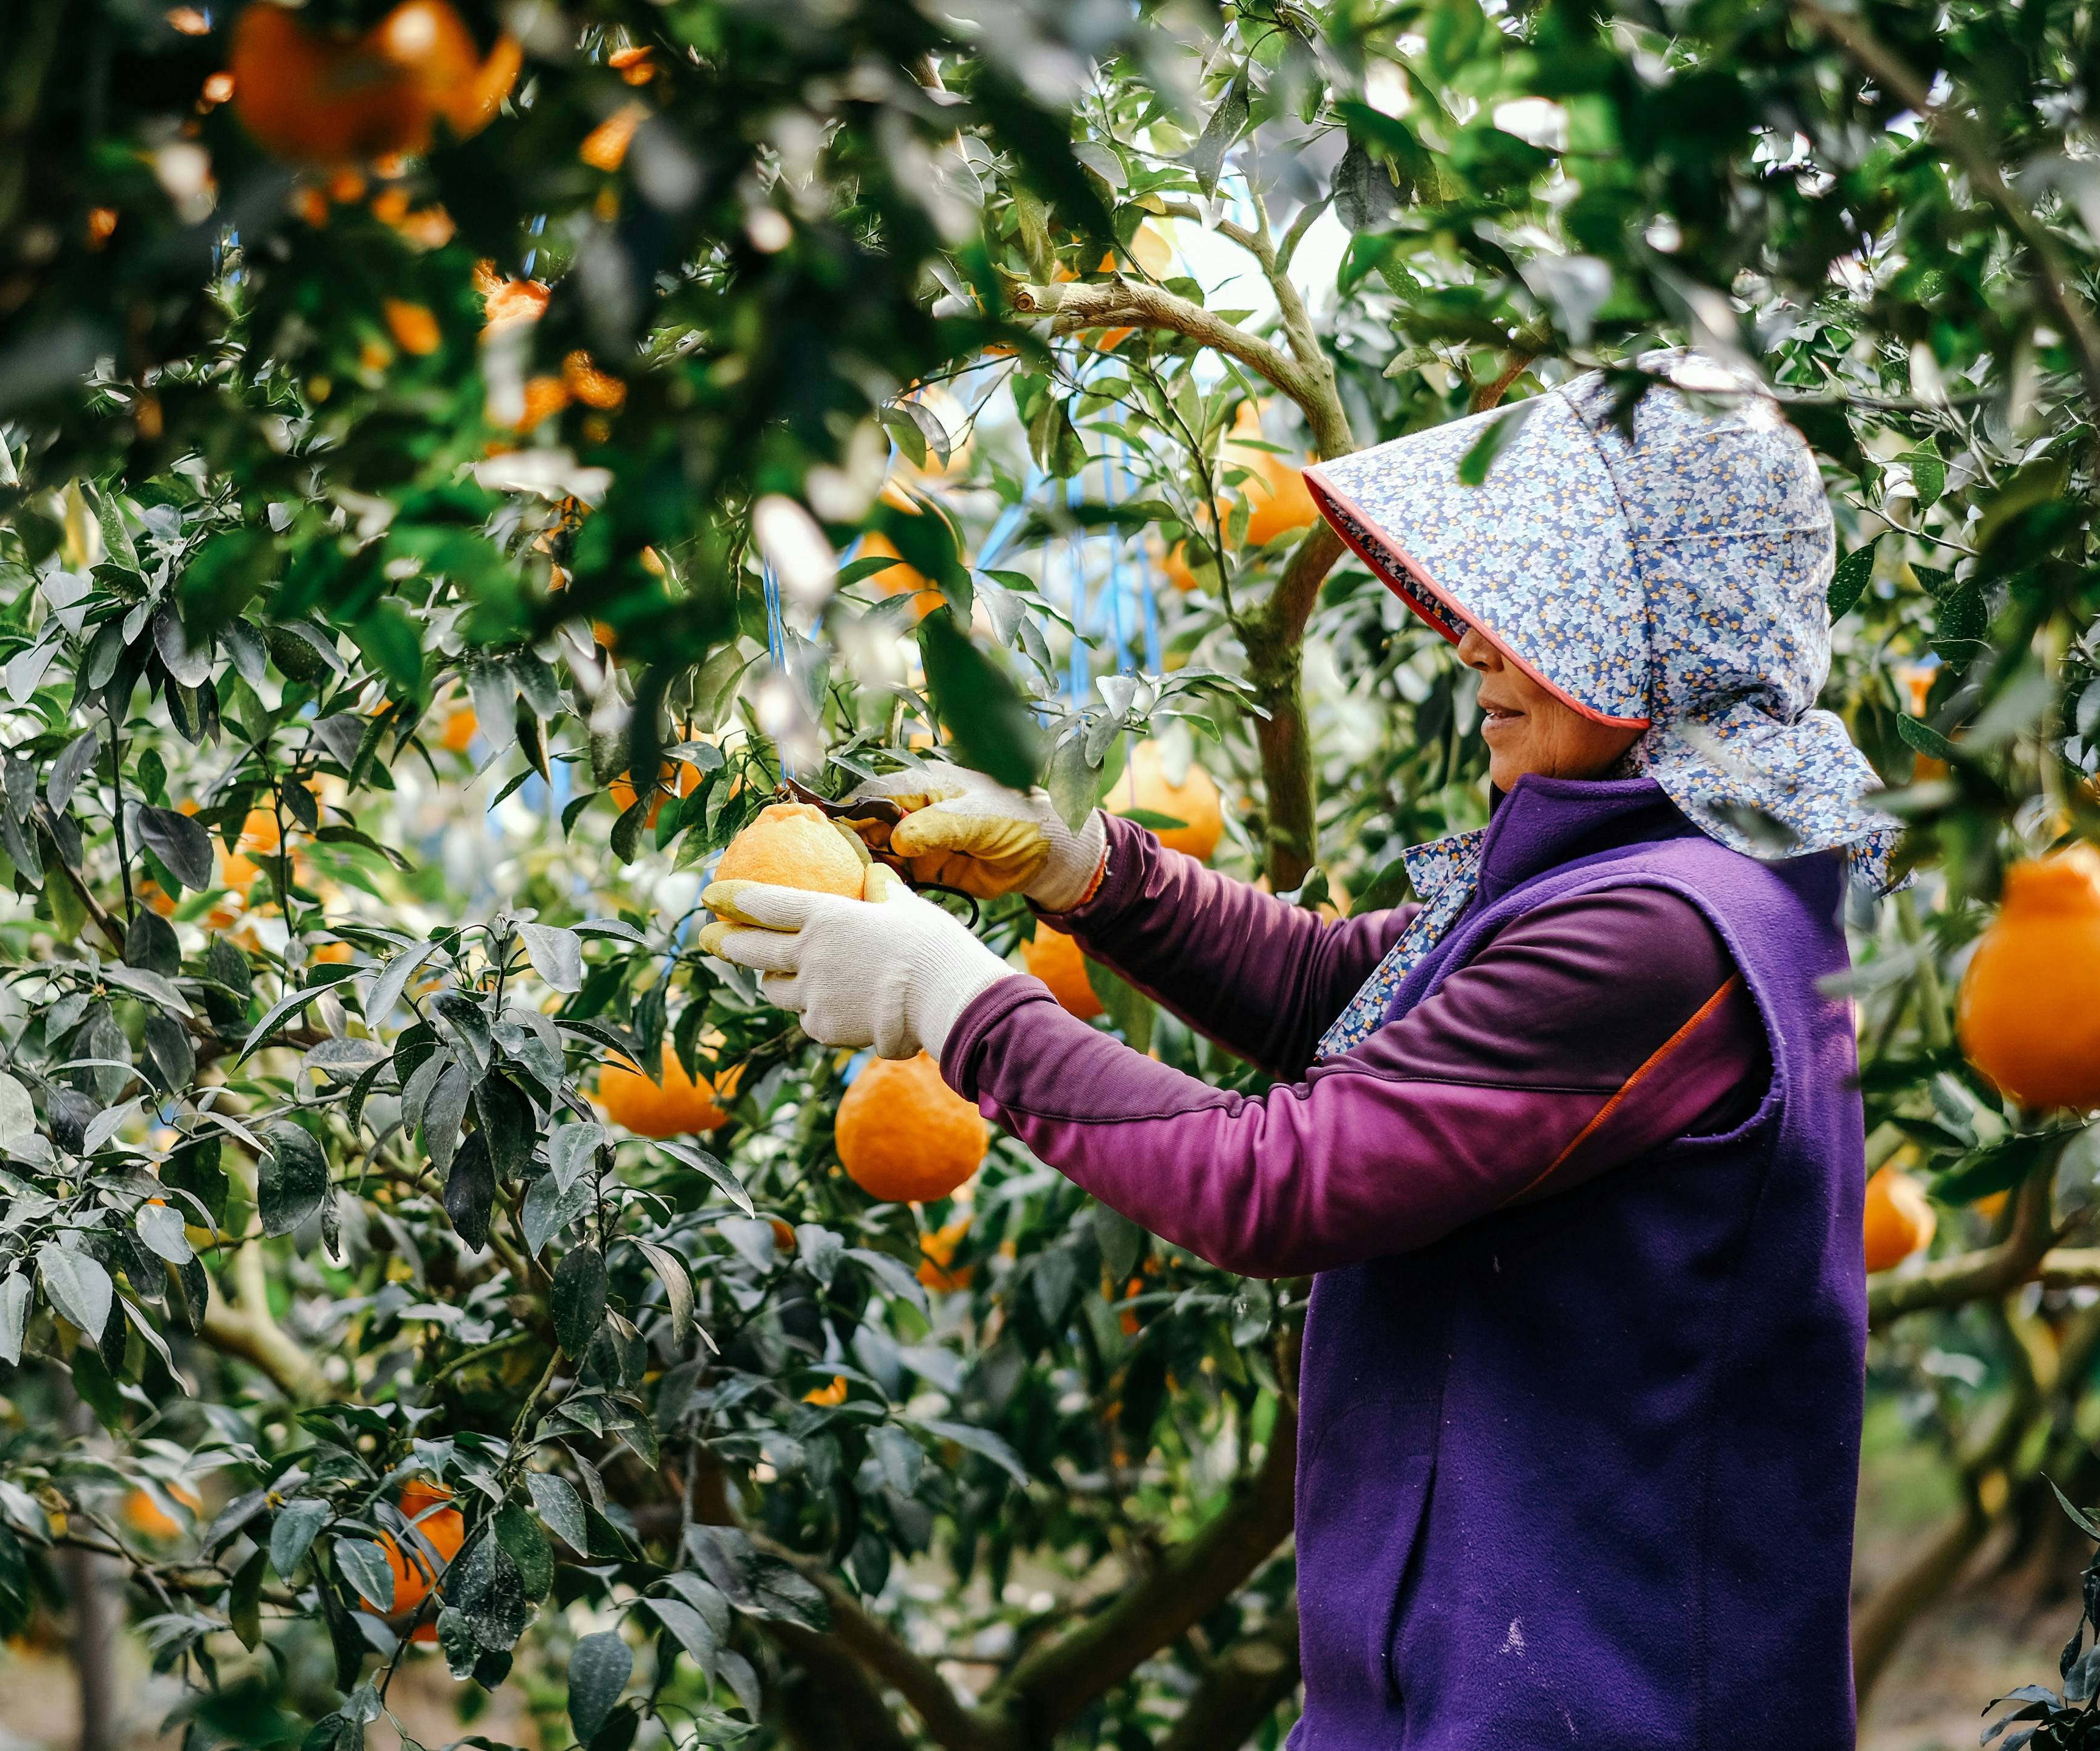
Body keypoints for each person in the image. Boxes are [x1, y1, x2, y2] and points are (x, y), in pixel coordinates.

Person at [702, 357, 1895, 1750]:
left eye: (1530, 613)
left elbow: (1281, 1184)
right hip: (1493, 1674)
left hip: (1583, 1700)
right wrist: (1090, 872)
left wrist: (954, 1005)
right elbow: (1356, 988)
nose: (1470, 648)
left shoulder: (1663, 930)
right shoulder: (1646, 869)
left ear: (1647, 635)